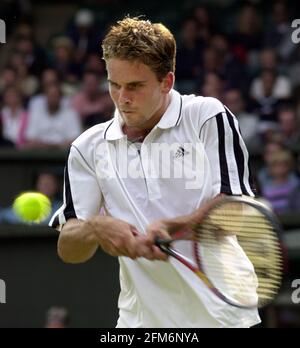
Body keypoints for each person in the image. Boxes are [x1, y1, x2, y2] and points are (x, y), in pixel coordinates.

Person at [50, 16, 260, 328]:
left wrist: (175, 226)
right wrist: (96, 227)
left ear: (167, 82)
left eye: (135, 86)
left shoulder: (206, 117)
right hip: (140, 324)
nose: (122, 99)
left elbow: (234, 213)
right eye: (114, 84)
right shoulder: (87, 147)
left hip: (223, 318)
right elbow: (70, 249)